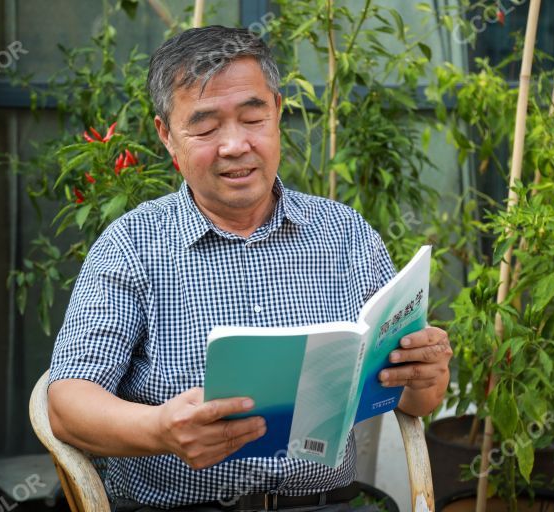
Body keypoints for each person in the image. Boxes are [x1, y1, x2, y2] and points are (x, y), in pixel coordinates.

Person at [47, 25, 452, 512]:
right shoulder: (132, 246)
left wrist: (425, 377)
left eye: (252, 117)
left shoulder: (345, 234)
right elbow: (68, 402)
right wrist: (158, 430)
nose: (235, 145)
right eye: (206, 125)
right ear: (166, 136)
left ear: (278, 113)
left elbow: (412, 401)